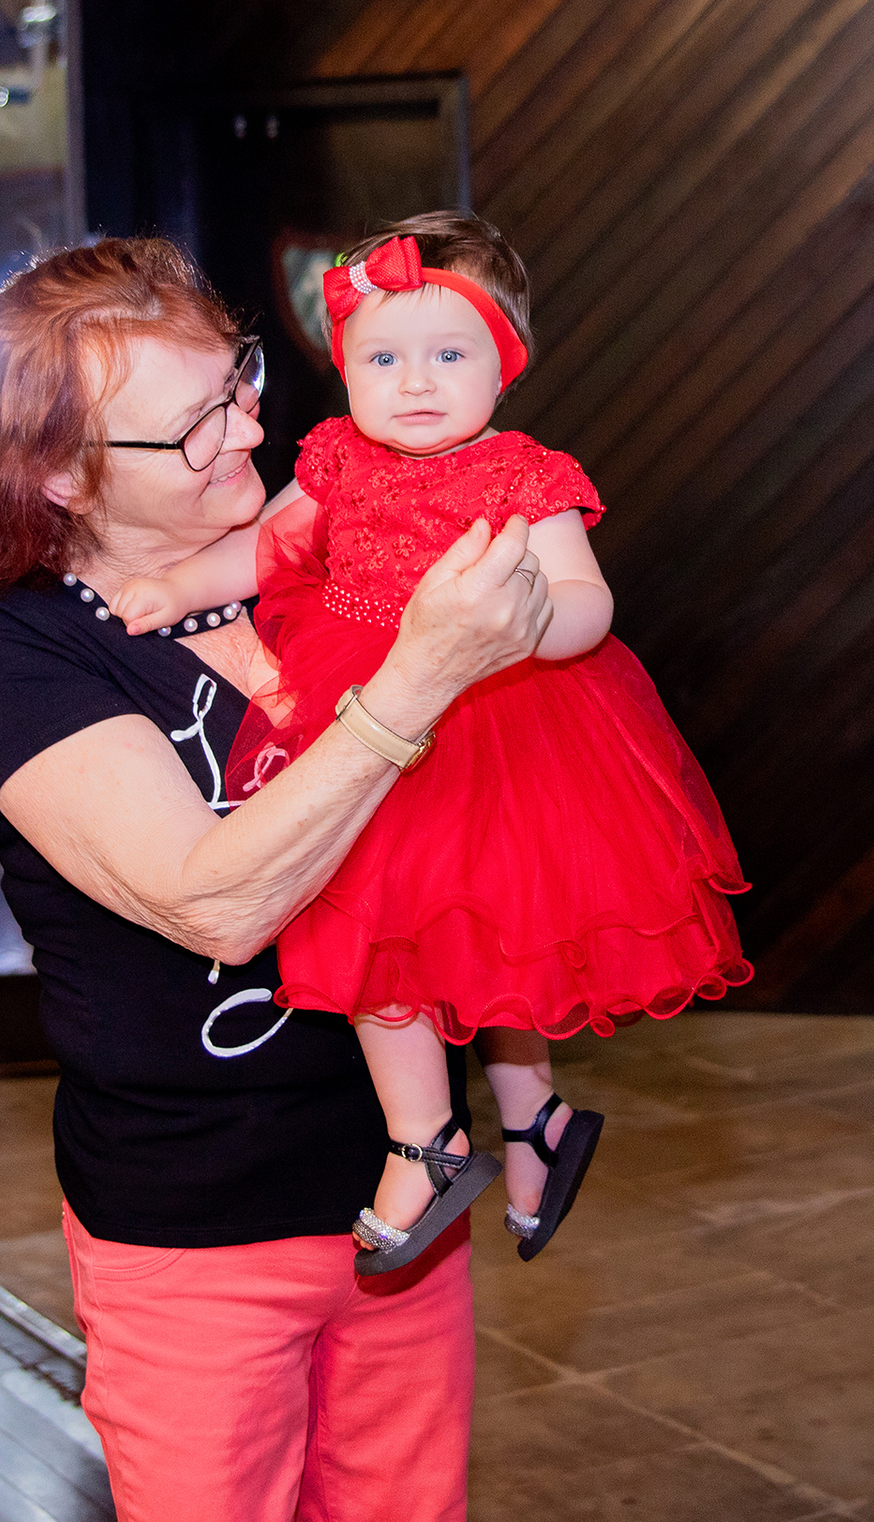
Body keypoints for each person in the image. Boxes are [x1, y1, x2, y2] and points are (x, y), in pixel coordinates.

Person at [0, 237, 550, 1522]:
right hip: (194, 1229)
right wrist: (419, 680)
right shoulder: (11, 638)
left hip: (401, 1196)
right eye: (196, 423)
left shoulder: (337, 528)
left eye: (240, 382)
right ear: (59, 473)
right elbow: (216, 905)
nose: (250, 427)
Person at [112, 211, 753, 1273]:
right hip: (366, 712)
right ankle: (455, 1135)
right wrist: (178, 584)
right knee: (379, 931)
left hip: (502, 719)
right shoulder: (337, 460)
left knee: (488, 936)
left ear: (505, 366)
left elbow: (589, 600)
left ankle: (506, 1125)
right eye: (383, 359)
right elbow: (267, 554)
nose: (414, 382)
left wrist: (530, 624)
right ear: (344, 369)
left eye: (449, 355)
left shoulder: (524, 475)